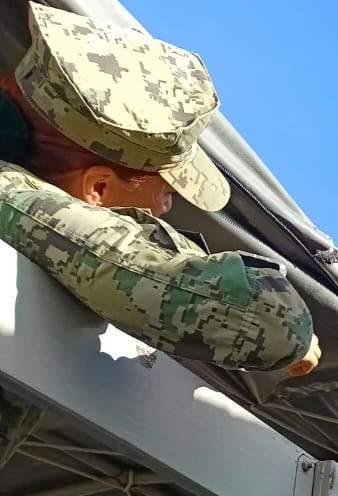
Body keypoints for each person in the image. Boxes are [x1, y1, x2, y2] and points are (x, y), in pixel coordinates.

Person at [0, 5, 318, 376]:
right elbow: (273, 321)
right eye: (166, 191)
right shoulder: (13, 196)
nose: (166, 207)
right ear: (97, 190)